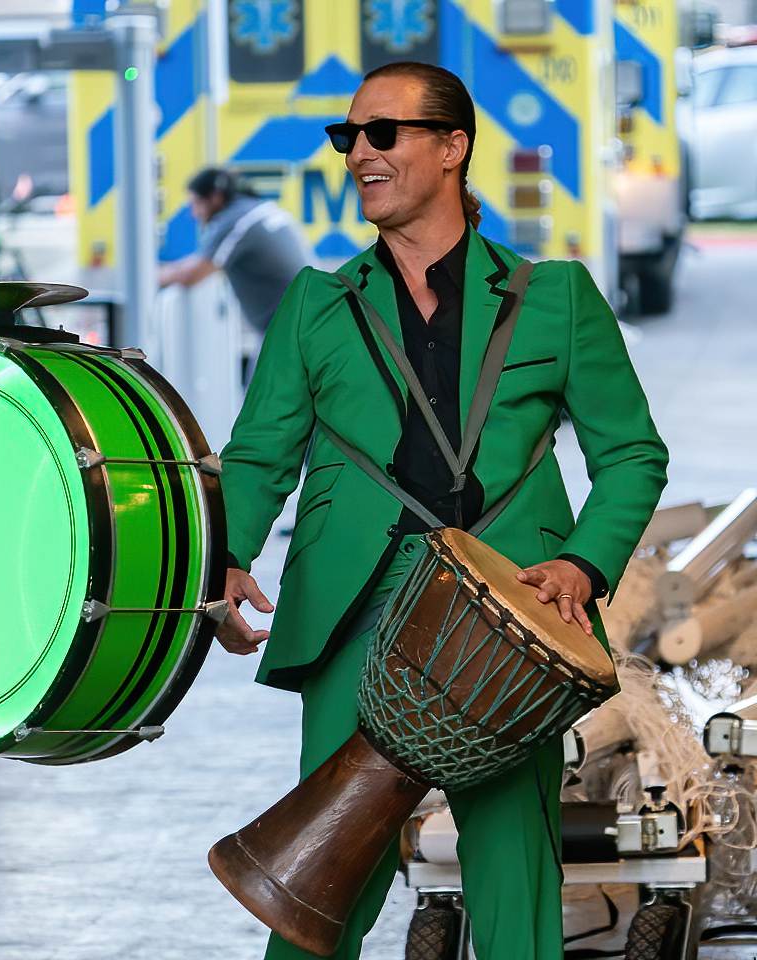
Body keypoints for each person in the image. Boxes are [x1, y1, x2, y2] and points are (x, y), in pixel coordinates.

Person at [215, 61, 668, 960]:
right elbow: (259, 455)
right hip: (354, 612)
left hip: (512, 620)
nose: (359, 154)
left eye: (383, 133)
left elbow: (631, 455)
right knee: (319, 883)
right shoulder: (316, 304)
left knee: (514, 887)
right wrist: (224, 560)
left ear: (453, 146)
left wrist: (581, 564)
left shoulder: (557, 299)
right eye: (348, 136)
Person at [158, 168, 312, 380]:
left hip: (290, 329)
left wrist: (151, 277)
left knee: (262, 397)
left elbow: (193, 273)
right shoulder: (256, 209)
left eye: (197, 203)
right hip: (303, 322)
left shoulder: (237, 220)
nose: (195, 214)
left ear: (215, 198)